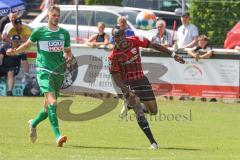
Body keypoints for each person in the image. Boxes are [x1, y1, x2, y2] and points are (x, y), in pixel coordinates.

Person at [108, 26, 185, 149]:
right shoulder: (113, 56)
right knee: (138, 110)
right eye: (115, 37)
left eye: (120, 36)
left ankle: (128, 105)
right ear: (114, 39)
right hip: (128, 84)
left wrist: (173, 54)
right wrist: (126, 90)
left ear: (124, 35)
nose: (118, 39)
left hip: (142, 80)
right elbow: (116, 77)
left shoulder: (135, 40)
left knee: (153, 112)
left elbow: (154, 46)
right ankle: (153, 143)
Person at [7, 5, 73, 147]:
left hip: (58, 73)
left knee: (47, 109)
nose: (56, 17)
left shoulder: (64, 34)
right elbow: (27, 45)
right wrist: (15, 51)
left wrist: (68, 57)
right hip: (44, 71)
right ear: (47, 16)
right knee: (53, 103)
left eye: (57, 15)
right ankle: (58, 136)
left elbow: (68, 51)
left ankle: (33, 123)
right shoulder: (39, 32)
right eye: (53, 15)